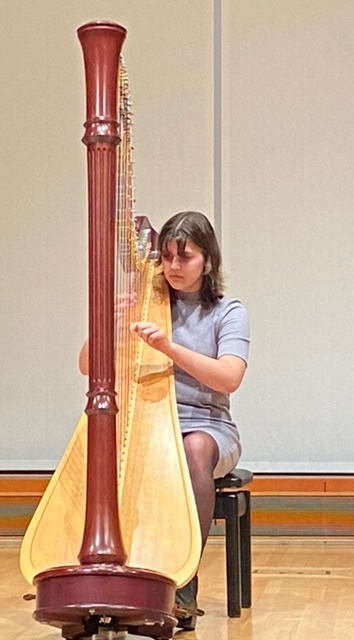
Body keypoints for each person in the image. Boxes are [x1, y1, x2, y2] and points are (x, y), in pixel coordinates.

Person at [80, 211, 250, 630]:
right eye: (167, 257)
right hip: (149, 426)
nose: (173, 266)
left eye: (184, 257)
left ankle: (183, 588)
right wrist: (109, 323)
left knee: (194, 448)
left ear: (207, 261)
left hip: (208, 427)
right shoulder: (145, 306)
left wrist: (170, 349)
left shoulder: (228, 312)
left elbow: (229, 377)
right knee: (99, 447)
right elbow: (86, 366)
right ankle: (110, 583)